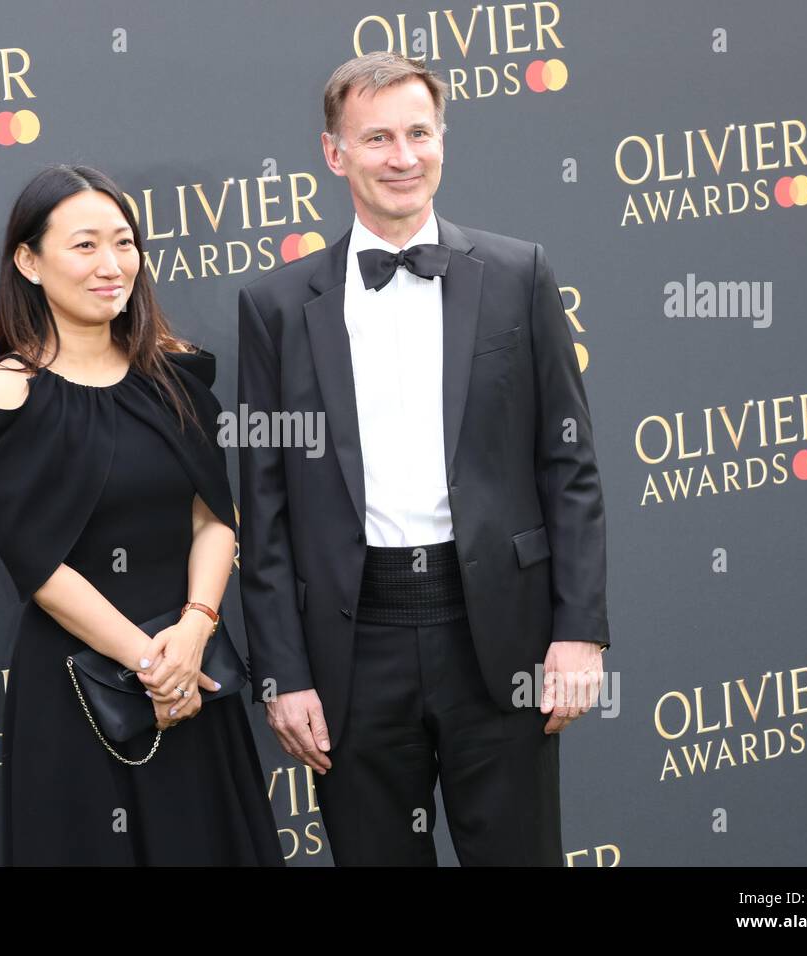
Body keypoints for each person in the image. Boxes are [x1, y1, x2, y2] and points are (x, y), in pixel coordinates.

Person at [236, 52, 611, 866]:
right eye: (377, 138)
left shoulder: (521, 275)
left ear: (443, 140)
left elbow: (568, 467)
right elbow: (262, 508)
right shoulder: (275, 307)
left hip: (500, 637)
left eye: (418, 133)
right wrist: (282, 673)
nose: (403, 157)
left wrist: (579, 629)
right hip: (350, 647)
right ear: (334, 154)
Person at [0, 164, 283, 866]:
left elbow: (214, 517)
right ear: (28, 261)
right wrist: (148, 663)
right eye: (84, 246)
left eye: (124, 243)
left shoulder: (176, 373)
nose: (112, 266)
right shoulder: (7, 397)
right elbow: (40, 567)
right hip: (83, 691)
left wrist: (195, 630)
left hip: (196, 678)